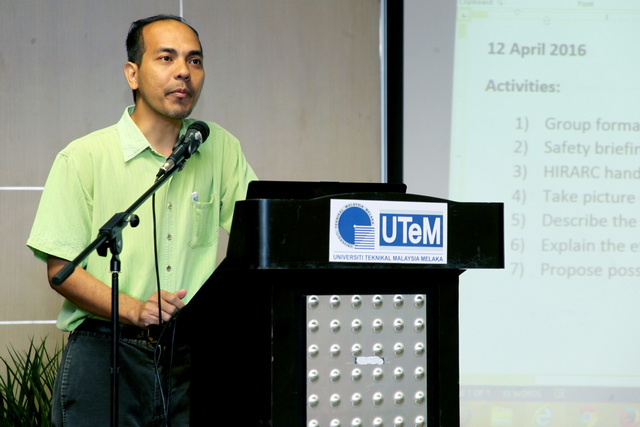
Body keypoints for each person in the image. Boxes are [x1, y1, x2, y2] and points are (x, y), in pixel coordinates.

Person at [27, 14, 257, 425]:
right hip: (105, 354)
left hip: (190, 357)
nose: (184, 71)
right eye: (166, 58)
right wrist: (134, 309)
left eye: (195, 60)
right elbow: (61, 270)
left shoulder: (219, 148)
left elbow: (260, 233)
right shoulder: (83, 158)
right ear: (132, 73)